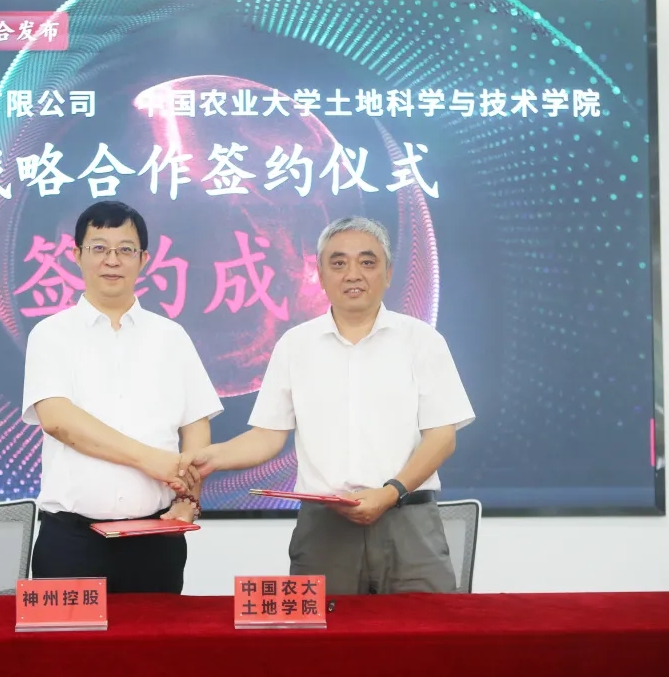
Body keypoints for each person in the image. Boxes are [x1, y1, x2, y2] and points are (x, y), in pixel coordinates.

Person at [180, 215, 474, 595]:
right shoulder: (295, 345)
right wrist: (212, 458)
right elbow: (268, 437)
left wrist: (389, 492)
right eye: (338, 263)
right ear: (320, 274)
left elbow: (442, 437)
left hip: (408, 520)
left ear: (388, 273)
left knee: (425, 631)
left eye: (367, 262)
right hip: (325, 528)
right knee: (322, 634)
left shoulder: (422, 341)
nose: (353, 274)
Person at [21, 200, 222, 594]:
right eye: (99, 248)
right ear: (76, 255)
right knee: (62, 639)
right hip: (71, 542)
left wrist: (189, 500)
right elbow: (58, 421)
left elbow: (196, 426)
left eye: (125, 249)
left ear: (143, 259)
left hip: (156, 538)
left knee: (158, 637)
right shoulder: (51, 334)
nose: (111, 260)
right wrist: (150, 460)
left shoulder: (171, 337)